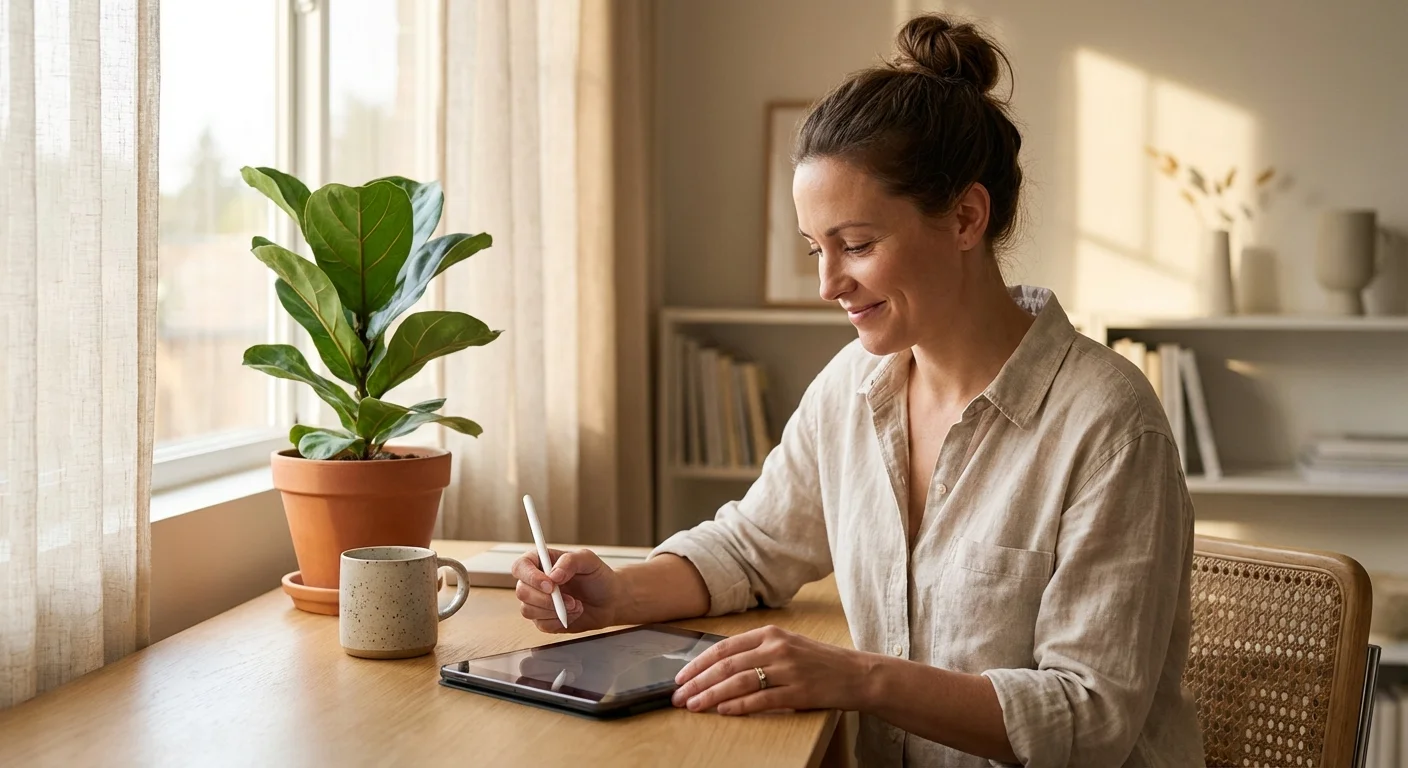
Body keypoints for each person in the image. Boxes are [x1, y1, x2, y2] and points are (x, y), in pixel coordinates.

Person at [513, 12, 1203, 767]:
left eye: (858, 245)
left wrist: (857, 678)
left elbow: (1091, 716)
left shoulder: (1108, 425)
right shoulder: (852, 386)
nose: (827, 284)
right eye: (816, 248)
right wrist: (618, 595)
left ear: (967, 217)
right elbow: (755, 546)